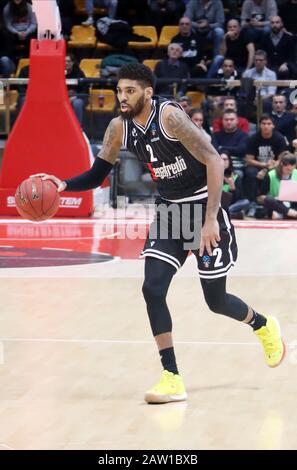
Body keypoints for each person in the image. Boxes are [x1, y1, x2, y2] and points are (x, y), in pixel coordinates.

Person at [34, 63, 285, 404]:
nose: (122, 97)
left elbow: (214, 160)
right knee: (152, 288)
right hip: (169, 210)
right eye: (119, 91)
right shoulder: (118, 128)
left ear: (147, 92)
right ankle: (171, 376)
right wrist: (63, 184)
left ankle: (262, 324)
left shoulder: (169, 117)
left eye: (130, 91)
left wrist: (211, 218)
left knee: (216, 301)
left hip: (202, 208)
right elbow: (98, 173)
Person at [257, 152, 297, 219]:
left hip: (293, 204)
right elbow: (260, 198)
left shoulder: (296, 173)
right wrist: (275, 198)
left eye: (292, 170)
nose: (290, 172)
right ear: (282, 165)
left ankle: (283, 215)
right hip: (276, 204)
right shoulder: (271, 175)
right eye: (288, 169)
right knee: (268, 200)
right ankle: (290, 213)